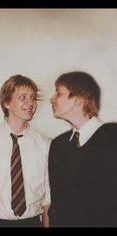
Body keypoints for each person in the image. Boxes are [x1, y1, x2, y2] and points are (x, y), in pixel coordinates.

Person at [0, 74, 51, 227]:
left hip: (31, 223)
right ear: (6, 102)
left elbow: (48, 201)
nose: (30, 103)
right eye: (23, 97)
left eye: (32, 97)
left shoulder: (45, 144)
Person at [49, 71, 117, 227]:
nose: (52, 99)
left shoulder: (113, 138)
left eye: (59, 93)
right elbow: (57, 205)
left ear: (78, 100)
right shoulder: (58, 145)